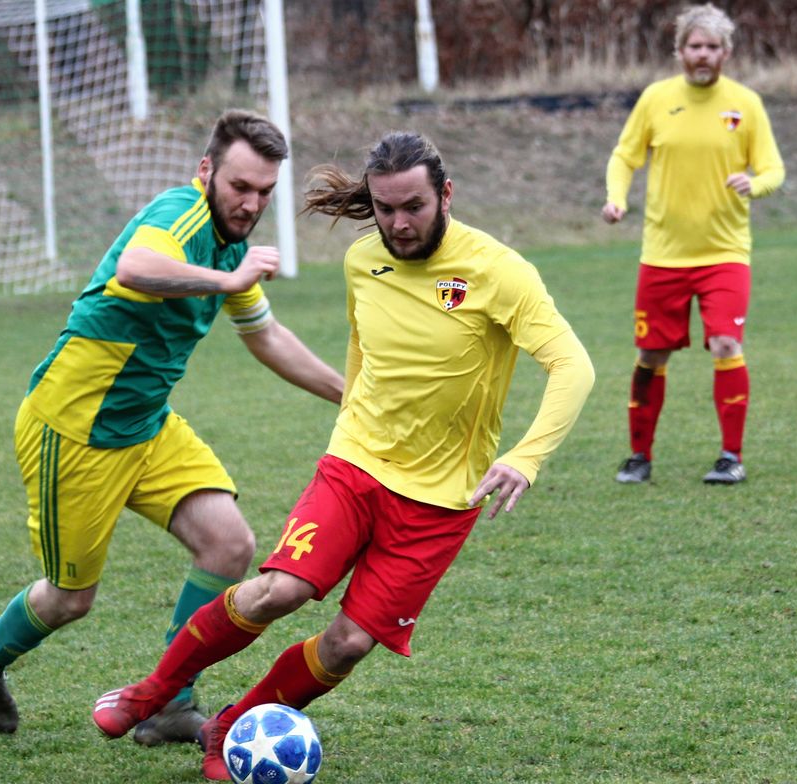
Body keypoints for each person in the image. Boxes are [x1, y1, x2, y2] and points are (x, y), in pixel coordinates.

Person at [90, 131, 595, 781]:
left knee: (349, 643)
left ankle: (231, 726)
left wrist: (524, 457)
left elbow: (571, 366)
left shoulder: (499, 272)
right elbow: (365, 354)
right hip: (354, 466)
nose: (398, 223)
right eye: (384, 209)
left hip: (441, 500)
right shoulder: (363, 261)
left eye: (412, 206)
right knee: (280, 590)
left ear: (445, 195)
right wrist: (352, 413)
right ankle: (152, 691)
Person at [0, 110, 344, 744]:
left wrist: (348, 397)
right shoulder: (179, 215)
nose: (250, 204)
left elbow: (266, 335)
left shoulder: (231, 245)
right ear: (206, 172)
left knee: (229, 545)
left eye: (264, 192)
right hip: (75, 430)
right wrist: (227, 278)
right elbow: (135, 269)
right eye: (240, 187)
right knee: (69, 599)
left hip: (146, 426)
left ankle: (170, 702)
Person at [602, 3, 785, 485]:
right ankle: (639, 456)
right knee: (651, 356)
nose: (702, 55)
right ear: (680, 50)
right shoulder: (656, 99)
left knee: (726, 342)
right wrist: (616, 199)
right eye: (694, 46)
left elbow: (773, 168)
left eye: (711, 47)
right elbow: (624, 156)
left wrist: (756, 183)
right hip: (662, 256)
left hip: (725, 254)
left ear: (726, 52)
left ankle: (731, 456)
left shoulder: (745, 104)